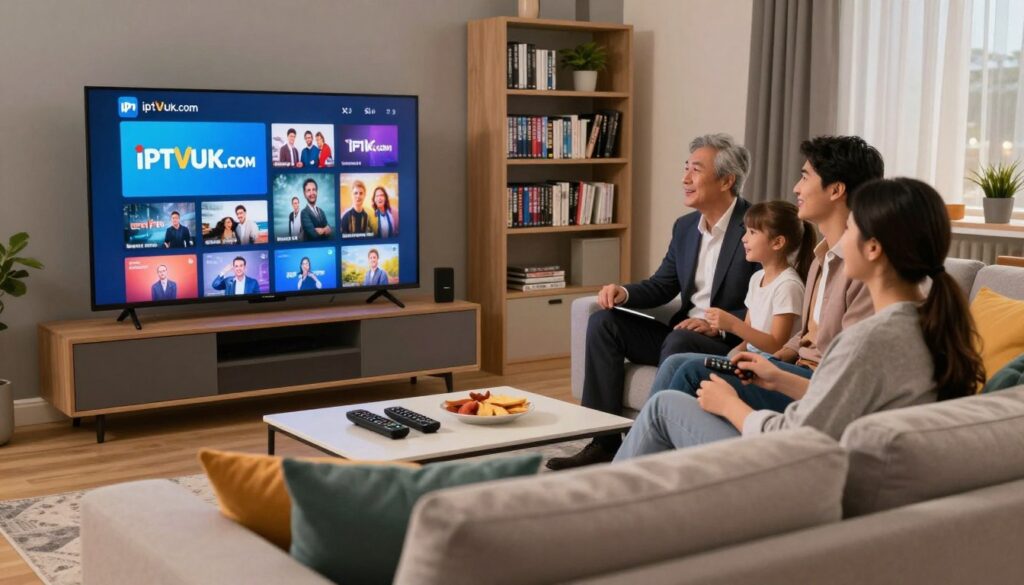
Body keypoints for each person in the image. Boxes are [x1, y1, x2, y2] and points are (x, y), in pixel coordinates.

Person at [614, 177, 986, 461]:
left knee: (664, 407)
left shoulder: (867, 340)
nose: (843, 239)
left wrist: (730, 405)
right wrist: (778, 379)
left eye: (852, 228)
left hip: (791, 472)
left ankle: (607, 504)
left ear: (873, 248)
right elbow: (843, 399)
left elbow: (794, 438)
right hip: (829, 460)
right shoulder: (928, 323)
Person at [546, 133, 760, 470]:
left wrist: (716, 325)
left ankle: (652, 443)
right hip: (680, 334)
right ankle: (602, 442)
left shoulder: (754, 225)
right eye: (685, 168)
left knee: (678, 337)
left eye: (696, 170)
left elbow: (767, 301)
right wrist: (624, 292)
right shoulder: (686, 227)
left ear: (727, 180)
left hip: (729, 342)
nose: (685, 178)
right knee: (604, 322)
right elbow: (663, 285)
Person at [650, 136, 883, 417]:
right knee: (679, 363)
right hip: (794, 367)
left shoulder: (861, 268)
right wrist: (782, 354)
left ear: (835, 190)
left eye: (805, 177)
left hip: (817, 385)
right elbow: (810, 333)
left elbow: (849, 360)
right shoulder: (821, 259)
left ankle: (648, 455)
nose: (796, 187)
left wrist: (775, 367)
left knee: (690, 370)